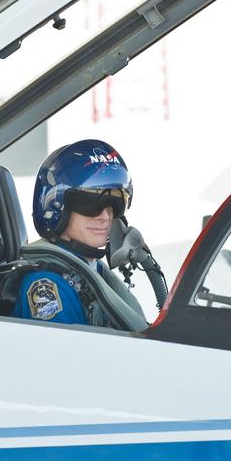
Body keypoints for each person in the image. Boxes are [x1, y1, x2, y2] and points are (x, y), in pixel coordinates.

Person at [11, 139, 147, 327]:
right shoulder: (47, 284)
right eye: (90, 204)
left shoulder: (92, 269)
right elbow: (67, 355)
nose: (105, 216)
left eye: (115, 204)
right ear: (57, 208)